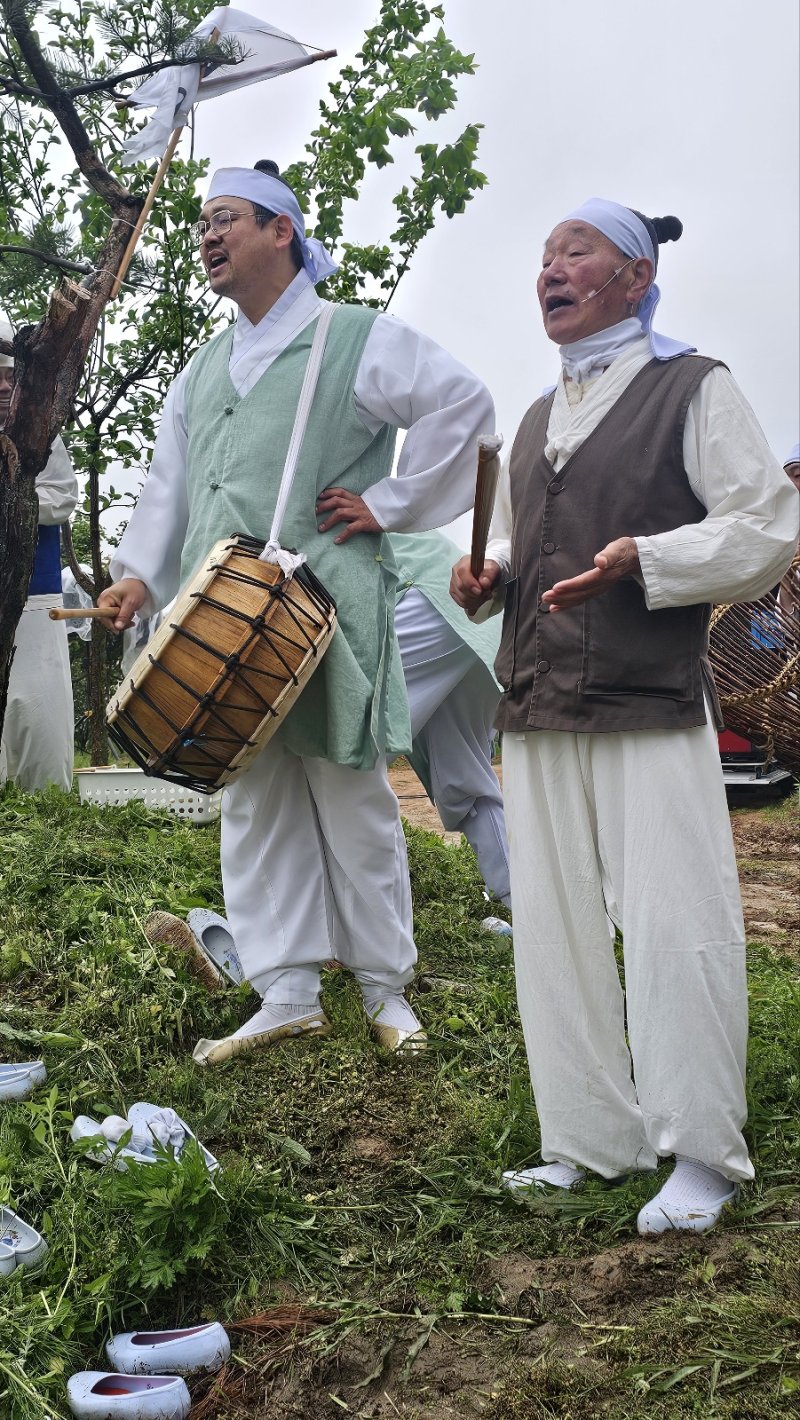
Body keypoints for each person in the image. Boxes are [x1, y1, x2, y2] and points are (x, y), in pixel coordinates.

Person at [451, 199, 798, 1234]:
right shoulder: (529, 419)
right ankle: (587, 1138)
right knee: (550, 929)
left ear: (635, 276)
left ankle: (698, 1151)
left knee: (671, 923)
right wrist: (484, 575)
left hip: (646, 700)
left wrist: (650, 558)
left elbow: (765, 531)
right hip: (540, 700)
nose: (550, 267)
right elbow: (519, 547)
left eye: (576, 249)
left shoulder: (693, 387)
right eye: (544, 251)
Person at [100, 160, 494, 1064]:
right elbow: (169, 488)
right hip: (215, 618)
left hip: (322, 609)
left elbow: (465, 406)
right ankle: (285, 988)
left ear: (283, 230)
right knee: (255, 799)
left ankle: (387, 989)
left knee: (349, 793)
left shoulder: (351, 338)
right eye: (200, 222)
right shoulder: (203, 367)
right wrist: (139, 578)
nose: (207, 236)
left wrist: (389, 504)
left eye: (226, 218)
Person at [389, 528, 510, 909]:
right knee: (468, 784)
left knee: (345, 760)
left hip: (429, 596)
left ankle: (368, 938)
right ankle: (529, 910)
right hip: (479, 623)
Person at [0, 317, 79, 792]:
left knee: (36, 718)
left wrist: (13, 494)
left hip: (35, 601)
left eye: (12, 376)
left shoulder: (41, 434)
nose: (7, 386)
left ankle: (48, 823)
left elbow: (62, 496)